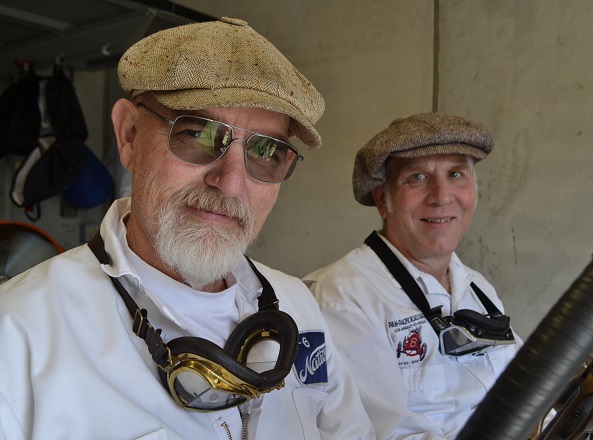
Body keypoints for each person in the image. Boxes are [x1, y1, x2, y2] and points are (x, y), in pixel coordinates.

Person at [0, 18, 375, 440]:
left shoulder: (297, 306)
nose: (231, 182)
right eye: (197, 133)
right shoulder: (17, 335)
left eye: (265, 150)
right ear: (129, 135)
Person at [305, 113, 522, 440]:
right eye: (417, 177)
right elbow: (388, 434)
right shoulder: (343, 297)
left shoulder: (478, 287)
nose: (442, 196)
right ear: (383, 200)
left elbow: (526, 389)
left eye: (455, 174)